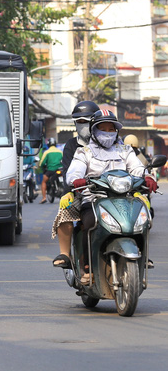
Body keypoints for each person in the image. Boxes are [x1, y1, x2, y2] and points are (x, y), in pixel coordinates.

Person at [64, 109, 156, 283]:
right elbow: (74, 171)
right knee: (90, 222)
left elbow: (136, 168)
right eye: (103, 129)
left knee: (145, 218)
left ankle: (142, 257)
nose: (107, 133)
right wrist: (76, 180)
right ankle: (87, 269)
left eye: (111, 129)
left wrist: (147, 177)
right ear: (94, 130)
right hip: (94, 198)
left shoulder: (125, 150)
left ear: (117, 131)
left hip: (125, 198)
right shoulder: (84, 152)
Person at [52, 100, 99, 267]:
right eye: (78, 122)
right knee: (65, 210)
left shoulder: (113, 142)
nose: (82, 126)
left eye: (85, 122)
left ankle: (140, 253)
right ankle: (65, 253)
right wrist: (68, 191)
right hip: (80, 192)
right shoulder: (72, 145)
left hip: (110, 192)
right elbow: (68, 173)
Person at [39, 138, 63, 203]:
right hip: (60, 170)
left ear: (48, 144)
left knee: (44, 182)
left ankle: (44, 198)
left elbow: (42, 163)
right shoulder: (60, 152)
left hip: (50, 170)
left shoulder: (47, 152)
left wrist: (42, 167)